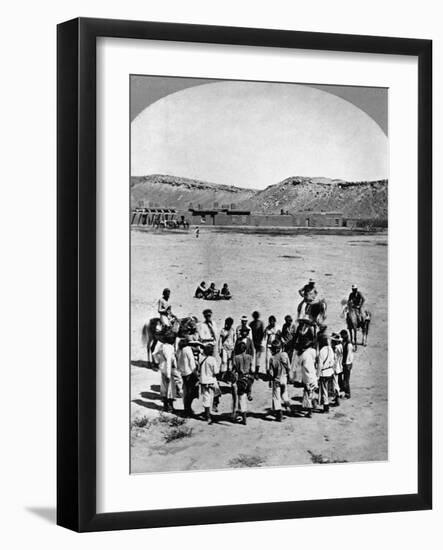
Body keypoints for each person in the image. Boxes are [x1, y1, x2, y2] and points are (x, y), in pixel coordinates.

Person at [153, 332, 178, 412]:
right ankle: (170, 407)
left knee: (164, 388)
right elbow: (169, 361)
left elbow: (154, 354)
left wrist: (158, 362)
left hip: (162, 369)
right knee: (170, 388)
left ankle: (165, 406)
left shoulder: (161, 346)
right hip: (168, 370)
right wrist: (168, 374)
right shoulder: (170, 348)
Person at [267, 340, 291, 421]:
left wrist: (270, 381)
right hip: (284, 377)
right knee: (284, 393)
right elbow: (289, 366)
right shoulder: (285, 355)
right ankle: (287, 406)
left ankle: (279, 414)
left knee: (276, 397)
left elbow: (271, 372)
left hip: (276, 379)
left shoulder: (272, 358)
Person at [232, 341, 254, 425]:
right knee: (249, 385)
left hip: (241, 379)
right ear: (245, 349)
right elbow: (252, 369)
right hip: (249, 378)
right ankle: (249, 393)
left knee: (241, 398)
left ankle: (244, 418)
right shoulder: (250, 357)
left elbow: (233, 370)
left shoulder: (236, 358)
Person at [176, 339, 198, 417]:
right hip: (189, 372)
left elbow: (178, 362)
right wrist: (195, 373)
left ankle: (186, 409)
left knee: (186, 392)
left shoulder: (179, 350)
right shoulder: (188, 349)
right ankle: (188, 409)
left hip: (183, 373)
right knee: (190, 392)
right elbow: (191, 362)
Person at [199, 343, 219, 424]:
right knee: (216, 394)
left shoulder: (201, 359)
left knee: (206, 398)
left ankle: (207, 415)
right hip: (211, 380)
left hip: (203, 381)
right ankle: (213, 408)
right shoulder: (213, 359)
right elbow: (216, 372)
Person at [298, 336, 318, 418]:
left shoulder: (303, 355)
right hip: (313, 374)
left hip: (307, 377)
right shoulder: (313, 351)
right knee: (312, 392)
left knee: (308, 393)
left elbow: (299, 364)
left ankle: (310, 411)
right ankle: (314, 404)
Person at [317, 333, 335, 413]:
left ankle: (326, 406)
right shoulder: (330, 349)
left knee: (324, 390)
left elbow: (320, 365)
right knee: (327, 389)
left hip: (324, 373)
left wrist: (317, 375)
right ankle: (327, 404)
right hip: (330, 372)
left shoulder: (322, 351)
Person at [249, 311, 265, 378]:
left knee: (257, 358)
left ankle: (256, 372)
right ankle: (253, 371)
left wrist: (261, 342)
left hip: (257, 342)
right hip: (254, 342)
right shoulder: (252, 324)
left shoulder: (258, 323)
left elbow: (262, 333)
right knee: (253, 357)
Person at [340, 329, 354, 399]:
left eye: (342, 336)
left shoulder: (349, 344)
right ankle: (345, 391)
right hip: (345, 363)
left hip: (347, 364)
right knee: (345, 379)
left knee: (346, 379)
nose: (341, 337)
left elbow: (349, 355)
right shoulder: (345, 342)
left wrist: (346, 363)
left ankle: (348, 393)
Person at [331, 332, 343, 404]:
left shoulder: (335, 348)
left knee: (335, 383)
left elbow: (334, 359)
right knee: (336, 381)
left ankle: (337, 397)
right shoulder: (340, 346)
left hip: (335, 367)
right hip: (339, 366)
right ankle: (336, 397)